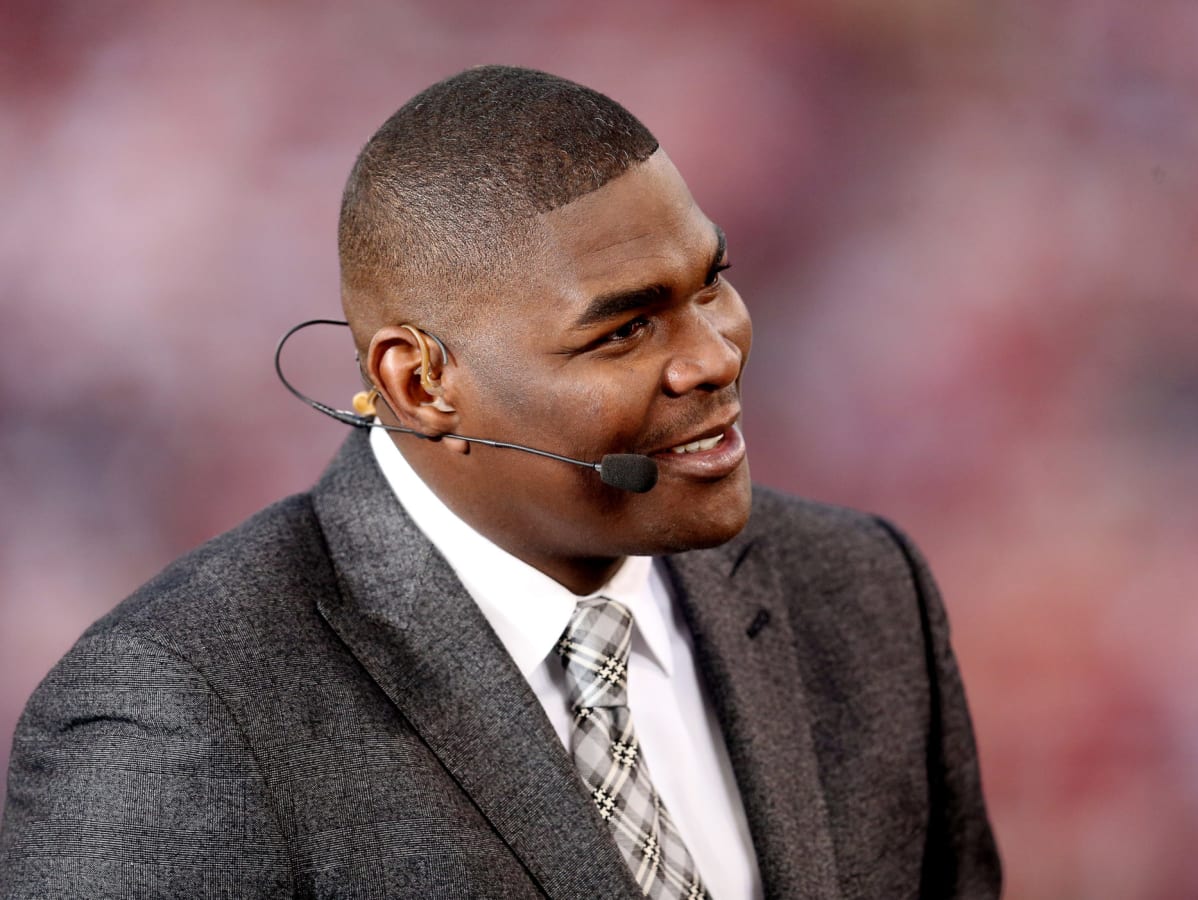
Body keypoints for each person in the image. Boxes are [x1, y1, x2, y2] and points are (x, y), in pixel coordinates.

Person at [0, 66, 1000, 898]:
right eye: (624, 328)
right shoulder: (179, 710)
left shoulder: (865, 591)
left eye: (712, 284)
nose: (714, 356)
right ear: (421, 382)